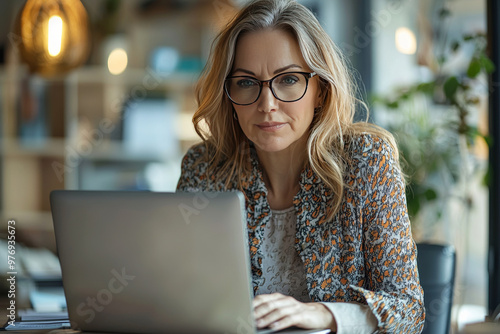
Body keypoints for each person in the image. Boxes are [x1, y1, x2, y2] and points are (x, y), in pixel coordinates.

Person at [176, 0, 425, 333]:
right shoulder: (204, 169)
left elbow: (408, 311)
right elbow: (177, 294)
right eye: (247, 82)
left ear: (320, 89)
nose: (267, 105)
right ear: (228, 94)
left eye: (289, 79)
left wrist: (324, 314)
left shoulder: (367, 161)